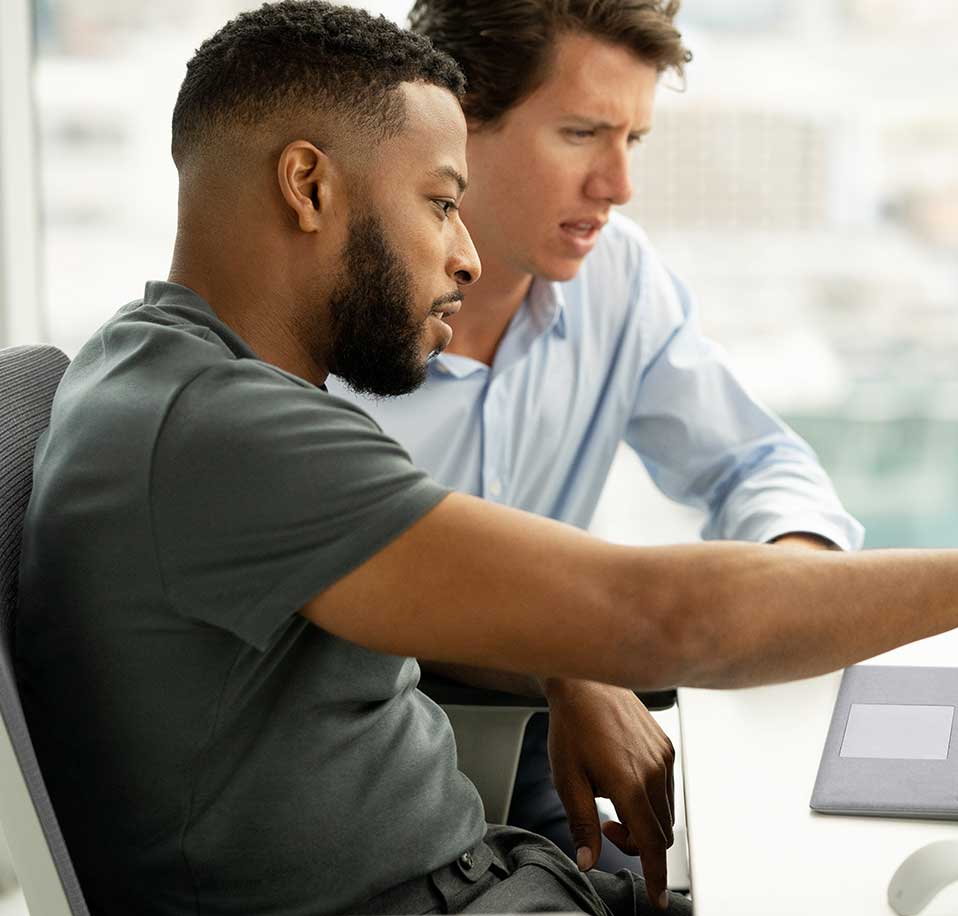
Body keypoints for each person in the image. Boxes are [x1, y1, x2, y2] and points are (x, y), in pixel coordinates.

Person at [15, 3, 958, 916]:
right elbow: (658, 611)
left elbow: (685, 530)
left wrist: (574, 657)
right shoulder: (229, 432)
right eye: (440, 202)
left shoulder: (173, 374)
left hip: (490, 877)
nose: (459, 257)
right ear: (307, 187)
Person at [331, 0, 862, 884]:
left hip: (541, 740)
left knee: (786, 866)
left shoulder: (617, 275)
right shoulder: (327, 323)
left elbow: (756, 463)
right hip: (364, 780)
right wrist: (564, 657)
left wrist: (787, 587)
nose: (617, 184)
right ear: (451, 128)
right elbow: (365, 595)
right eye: (581, 133)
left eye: (634, 140)